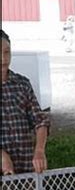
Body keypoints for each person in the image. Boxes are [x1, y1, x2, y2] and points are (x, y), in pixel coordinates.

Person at [1, 29, 51, 174]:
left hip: (27, 169)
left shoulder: (22, 84)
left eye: (6, 52)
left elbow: (40, 121)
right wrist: (2, 156)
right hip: (4, 171)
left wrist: (39, 150)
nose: (3, 59)